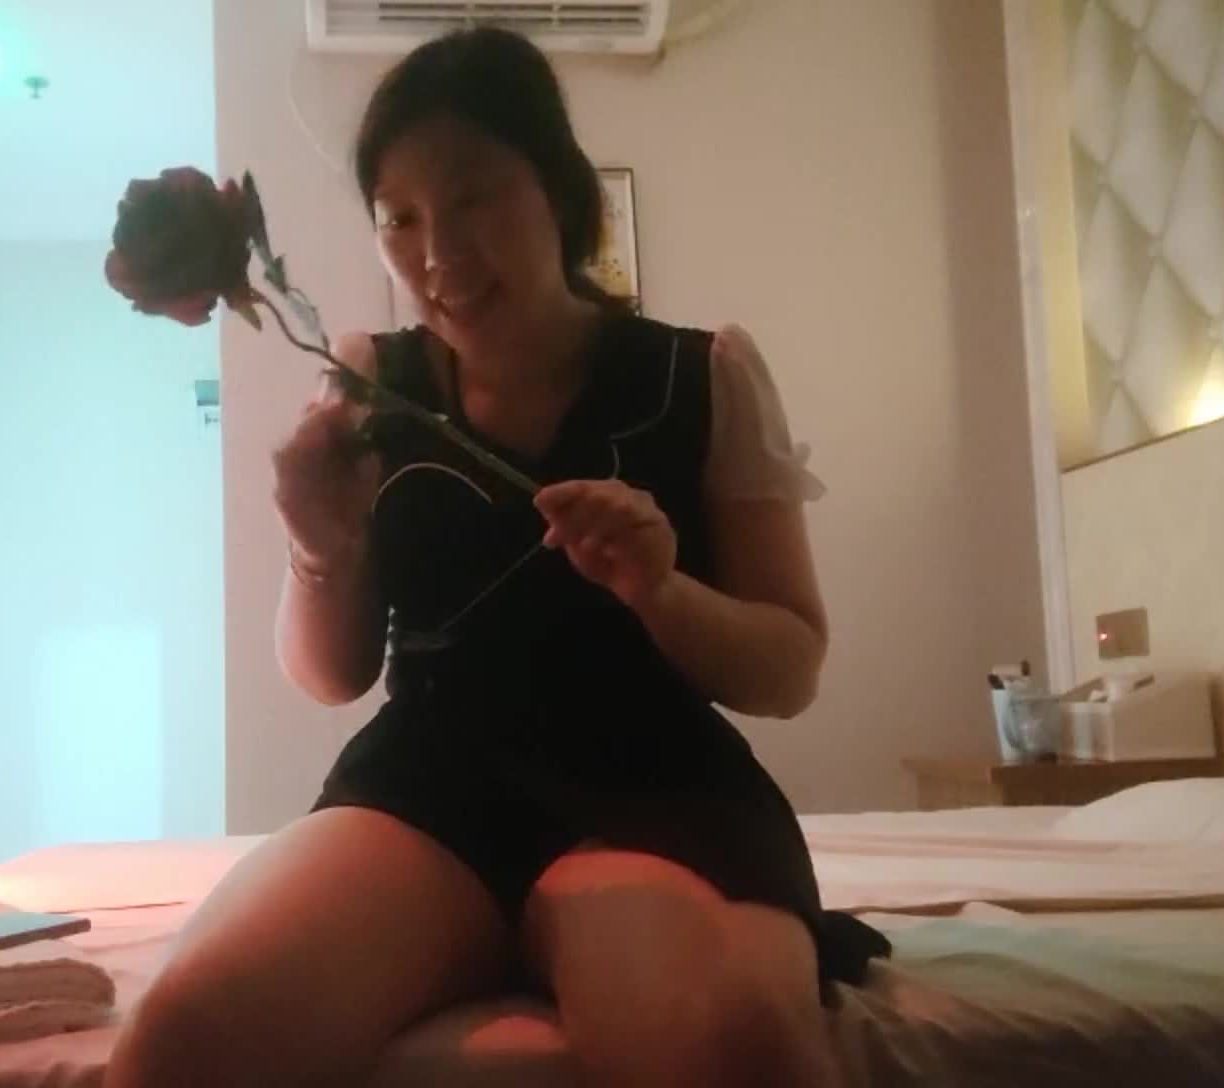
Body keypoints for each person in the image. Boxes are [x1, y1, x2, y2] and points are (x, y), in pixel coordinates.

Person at [107, 25, 888, 1088]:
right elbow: (332, 675)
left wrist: (661, 590)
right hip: (430, 789)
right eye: (401, 217)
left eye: (473, 198)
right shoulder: (368, 381)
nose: (438, 253)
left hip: (653, 786)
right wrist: (320, 548)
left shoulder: (700, 374)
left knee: (725, 1048)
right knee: (182, 1037)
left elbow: (788, 669)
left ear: (559, 192)